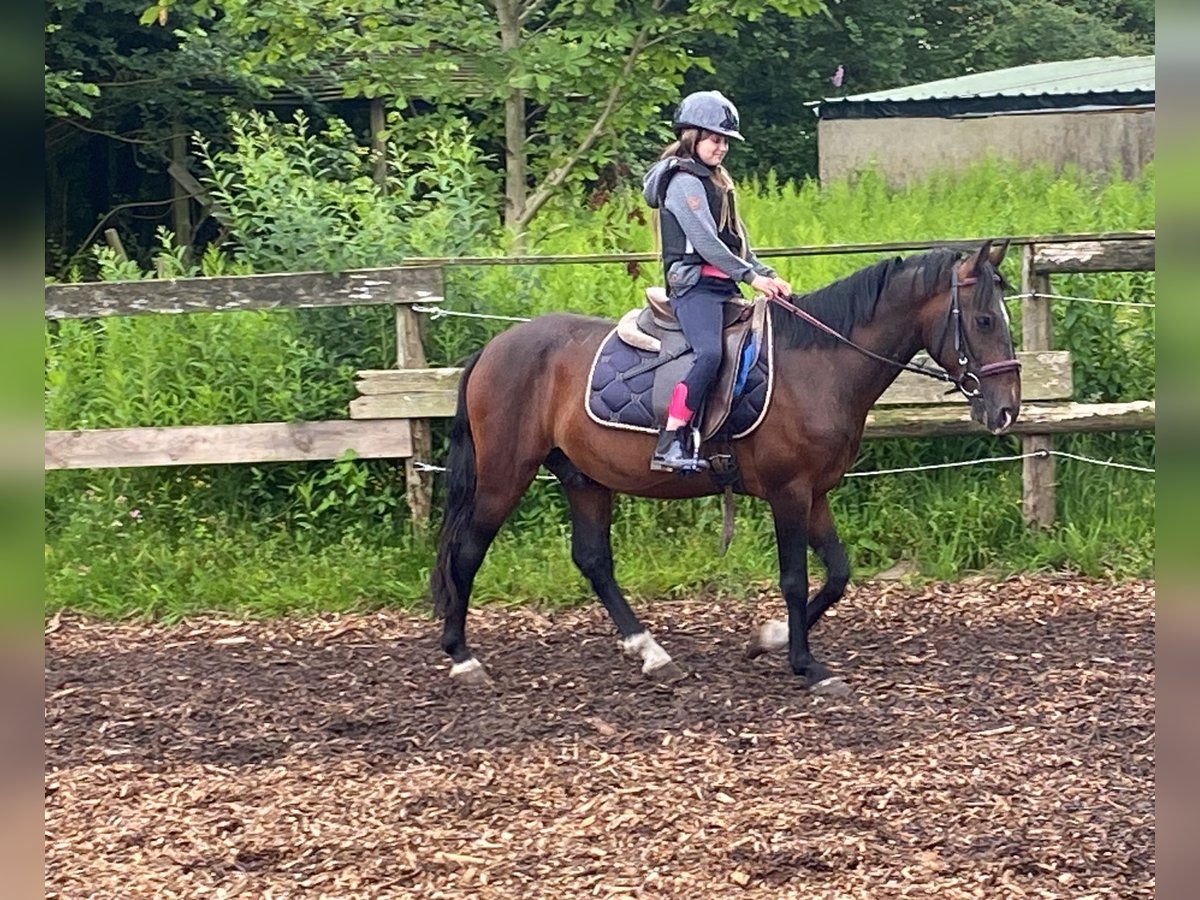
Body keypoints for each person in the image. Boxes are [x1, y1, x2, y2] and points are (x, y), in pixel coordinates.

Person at [642, 89, 792, 473]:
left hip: (722, 287)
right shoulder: (683, 182)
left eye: (725, 141)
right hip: (694, 289)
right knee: (709, 353)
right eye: (714, 139)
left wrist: (767, 274)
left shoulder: (719, 182)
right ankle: (671, 438)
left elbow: (738, 243)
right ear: (692, 137)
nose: (721, 147)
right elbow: (707, 243)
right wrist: (750, 277)